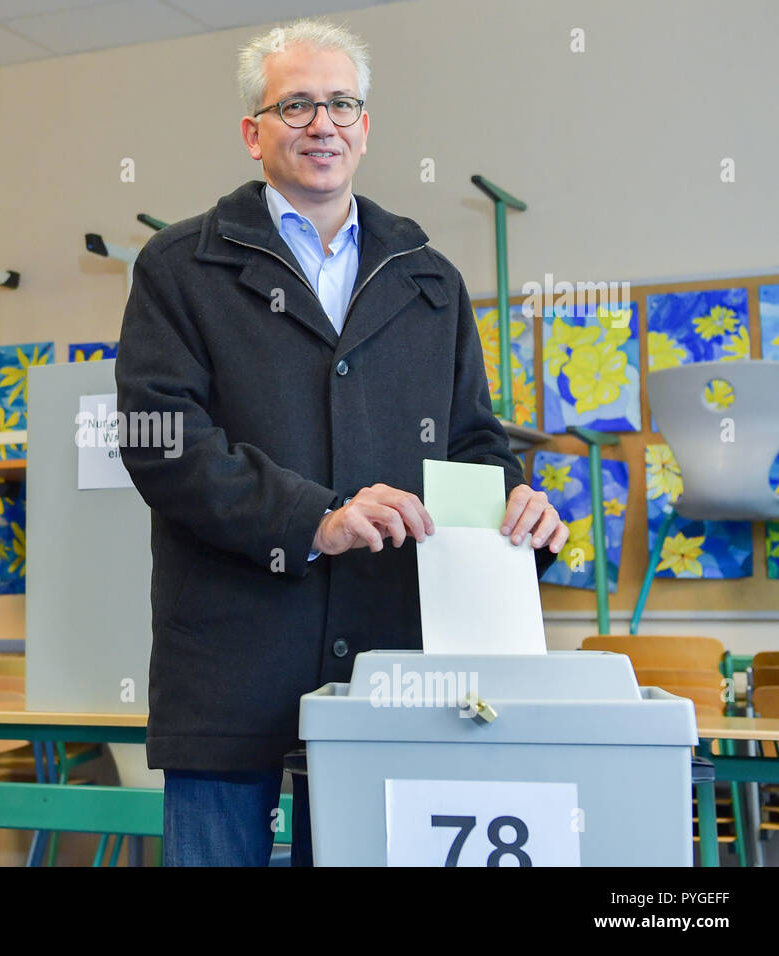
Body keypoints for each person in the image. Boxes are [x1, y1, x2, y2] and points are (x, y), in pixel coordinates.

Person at [115, 18, 568, 867]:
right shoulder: (180, 266)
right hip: (231, 657)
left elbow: (473, 439)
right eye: (295, 105)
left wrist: (511, 502)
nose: (321, 123)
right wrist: (312, 519)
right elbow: (159, 440)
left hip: (394, 660)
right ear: (253, 132)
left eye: (341, 103)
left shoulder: (429, 276)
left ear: (366, 127)